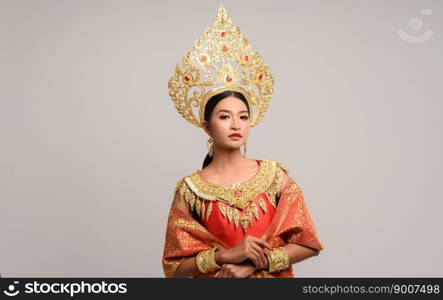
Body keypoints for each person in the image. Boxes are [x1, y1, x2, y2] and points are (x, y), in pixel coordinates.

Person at [162, 5, 324, 278]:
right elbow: (173, 267)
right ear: (206, 127)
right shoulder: (190, 190)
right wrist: (225, 255)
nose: (236, 125)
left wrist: (251, 264)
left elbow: (308, 242)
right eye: (225, 117)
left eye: (244, 116)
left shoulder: (275, 177)